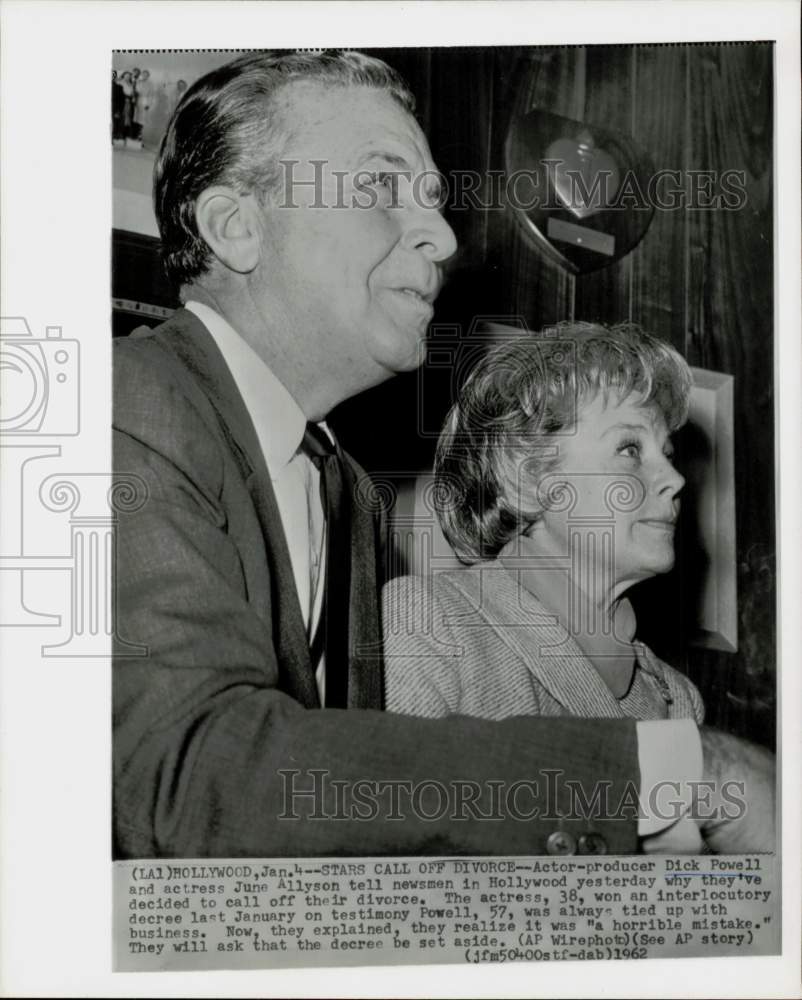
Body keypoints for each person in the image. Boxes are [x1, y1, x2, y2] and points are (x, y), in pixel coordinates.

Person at [113, 50, 774, 860]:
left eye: (431, 199)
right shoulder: (124, 405)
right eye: (381, 186)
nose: (444, 234)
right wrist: (666, 774)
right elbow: (186, 781)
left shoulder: (341, 490)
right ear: (236, 226)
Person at [384, 322, 704, 723]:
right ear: (529, 480)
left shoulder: (678, 699)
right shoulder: (431, 623)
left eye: (668, 454)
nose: (675, 480)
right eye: (629, 449)